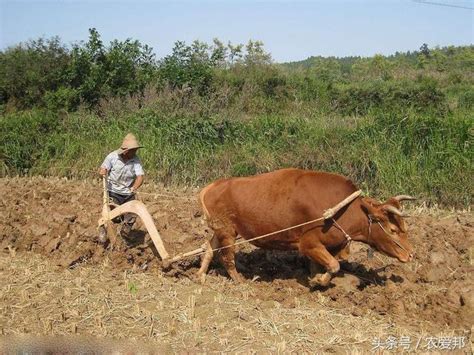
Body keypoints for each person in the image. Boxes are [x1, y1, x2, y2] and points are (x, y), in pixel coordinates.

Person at [98, 133, 145, 240]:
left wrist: (134, 187)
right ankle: (103, 228)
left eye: (136, 150)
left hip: (128, 194)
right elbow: (102, 170)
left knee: (131, 216)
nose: (135, 152)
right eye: (133, 150)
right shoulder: (112, 157)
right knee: (114, 216)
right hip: (113, 191)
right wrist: (102, 171)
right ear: (126, 151)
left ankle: (124, 234)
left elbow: (140, 177)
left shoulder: (136, 160)